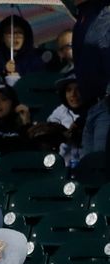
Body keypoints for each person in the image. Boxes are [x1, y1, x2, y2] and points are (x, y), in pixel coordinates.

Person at [72, 0, 110, 162]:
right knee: (89, 171)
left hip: (106, 105)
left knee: (99, 169)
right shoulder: (82, 17)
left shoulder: (105, 12)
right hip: (91, 106)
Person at [0, 14, 46, 83]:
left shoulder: (35, 60)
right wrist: (4, 71)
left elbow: (39, 83)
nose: (15, 36)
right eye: (10, 32)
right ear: (2, 38)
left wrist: (20, 78)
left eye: (19, 32)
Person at [46, 73, 84, 165]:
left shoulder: (96, 111)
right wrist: (64, 136)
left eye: (78, 89)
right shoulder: (60, 111)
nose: (73, 94)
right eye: (69, 90)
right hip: (64, 167)